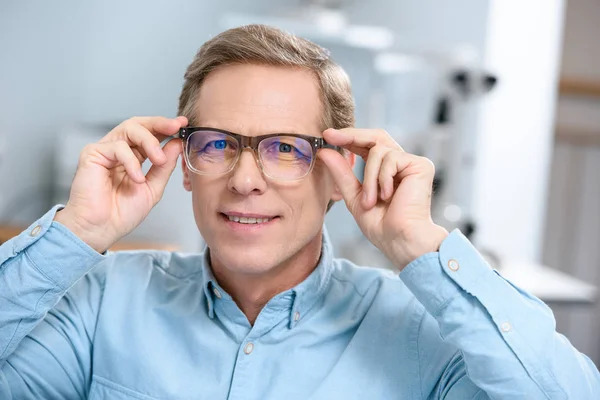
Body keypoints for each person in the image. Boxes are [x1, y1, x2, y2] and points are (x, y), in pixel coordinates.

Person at [0, 24, 598, 400]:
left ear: (339, 174)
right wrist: (76, 232)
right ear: (184, 164)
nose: (245, 180)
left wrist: (424, 249)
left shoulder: (422, 332)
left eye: (285, 149)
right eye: (217, 144)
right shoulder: (101, 302)